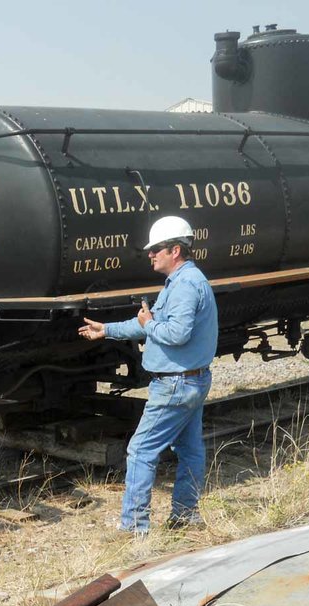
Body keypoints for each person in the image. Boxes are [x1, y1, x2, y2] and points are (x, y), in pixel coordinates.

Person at [78, 216, 218, 534]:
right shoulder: (184, 282)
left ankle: (134, 526)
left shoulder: (185, 286)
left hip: (175, 383)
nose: (150, 255)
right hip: (190, 380)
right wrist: (108, 330)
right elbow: (149, 322)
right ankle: (185, 515)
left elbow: (175, 333)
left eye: (156, 249)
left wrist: (148, 325)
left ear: (176, 250)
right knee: (191, 449)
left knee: (140, 451)